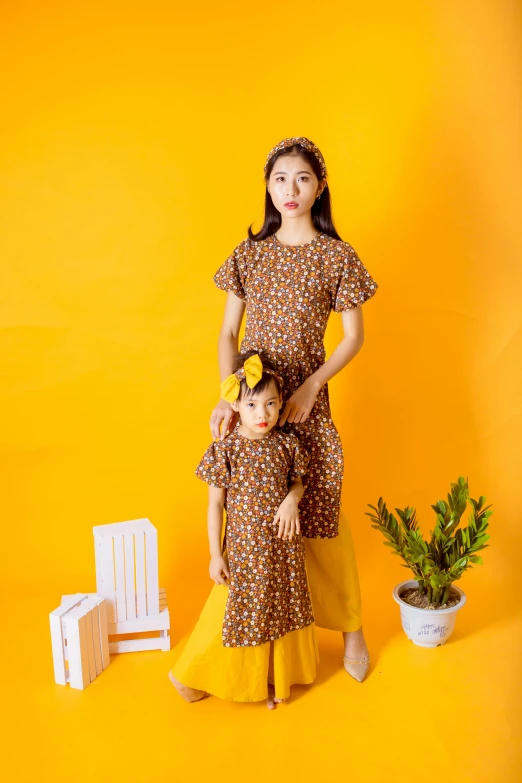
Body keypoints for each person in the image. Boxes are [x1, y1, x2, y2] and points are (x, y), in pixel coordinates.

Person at [210, 136, 379, 682]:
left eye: (303, 178)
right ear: (267, 185)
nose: (290, 189)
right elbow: (228, 332)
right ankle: (239, 659)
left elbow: (352, 338)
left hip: (307, 411)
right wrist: (228, 397)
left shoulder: (338, 257)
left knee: (322, 519)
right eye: (280, 178)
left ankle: (352, 628)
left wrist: (311, 386)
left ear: (320, 187)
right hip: (253, 414)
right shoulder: (250, 253)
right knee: (253, 527)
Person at [169, 350, 319, 708]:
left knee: (275, 610)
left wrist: (291, 500)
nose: (262, 414)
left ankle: (269, 678)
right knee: (235, 612)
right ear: (235, 406)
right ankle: (191, 676)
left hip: (282, 549)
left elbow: (297, 484)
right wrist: (214, 553)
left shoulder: (287, 444)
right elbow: (215, 505)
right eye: (252, 405)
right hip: (245, 549)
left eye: (270, 404)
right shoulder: (226, 449)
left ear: (282, 403)